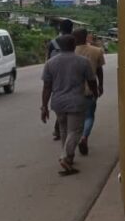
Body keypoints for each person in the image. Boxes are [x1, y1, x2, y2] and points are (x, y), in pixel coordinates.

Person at [40, 34, 98, 176]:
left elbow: (46, 87)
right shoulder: (83, 62)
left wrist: (44, 106)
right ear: (74, 46)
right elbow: (91, 81)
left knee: (64, 129)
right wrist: (95, 94)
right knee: (76, 131)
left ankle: (69, 158)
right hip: (76, 102)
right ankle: (65, 157)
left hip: (58, 102)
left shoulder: (50, 63)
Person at [73, 28, 105, 156]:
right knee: (89, 116)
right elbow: (99, 71)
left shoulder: (70, 52)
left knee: (75, 118)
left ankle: (72, 142)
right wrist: (100, 86)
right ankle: (84, 137)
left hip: (73, 92)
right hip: (89, 90)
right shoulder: (97, 51)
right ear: (86, 37)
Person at [48, 19, 74, 140]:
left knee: (60, 104)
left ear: (60, 28)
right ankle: (62, 128)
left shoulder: (53, 43)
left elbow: (48, 61)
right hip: (72, 76)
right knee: (71, 104)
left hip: (56, 77)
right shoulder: (74, 41)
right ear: (71, 28)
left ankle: (59, 128)